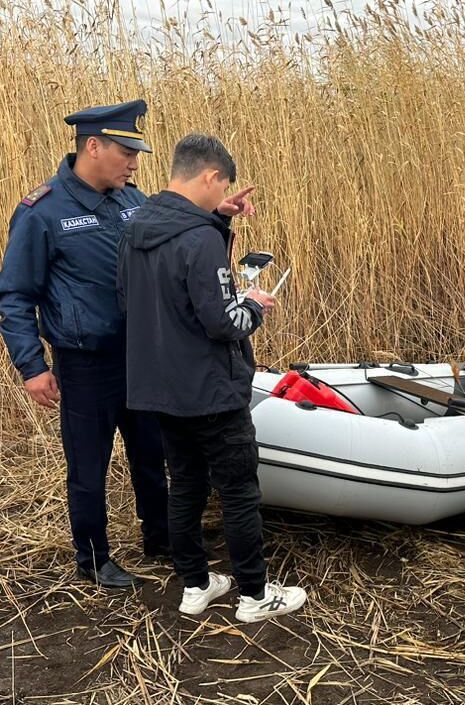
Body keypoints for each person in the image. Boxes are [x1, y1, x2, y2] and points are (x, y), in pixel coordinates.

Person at [117, 133, 306, 621]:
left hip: (158, 390)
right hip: (212, 392)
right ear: (211, 176)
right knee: (240, 491)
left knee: (184, 486)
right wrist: (254, 306)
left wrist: (220, 219)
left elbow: (130, 302)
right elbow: (223, 322)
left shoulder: (136, 226)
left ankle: (196, 586)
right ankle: (255, 595)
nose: (221, 195)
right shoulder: (198, 239)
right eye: (222, 186)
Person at [0, 100, 169, 588]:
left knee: (152, 454)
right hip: (86, 364)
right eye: (126, 152)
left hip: (141, 357)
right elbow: (14, 296)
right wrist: (31, 366)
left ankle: (161, 538)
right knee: (89, 465)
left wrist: (216, 215)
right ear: (93, 146)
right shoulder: (42, 212)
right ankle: (93, 559)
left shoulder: (133, 201)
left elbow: (173, 242)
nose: (135, 163)